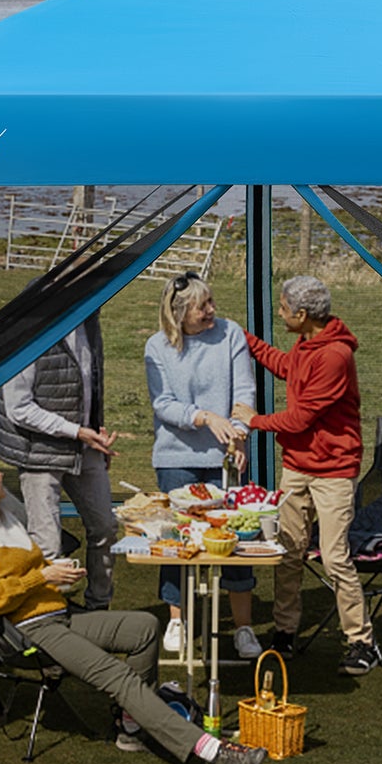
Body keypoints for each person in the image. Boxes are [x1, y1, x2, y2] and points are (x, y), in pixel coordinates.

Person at [0, 450, 268, 764]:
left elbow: (26, 570)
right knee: (118, 677)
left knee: (144, 627)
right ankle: (211, 753)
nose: (1, 475)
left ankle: (131, 726)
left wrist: (54, 570)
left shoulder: (2, 516)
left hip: (56, 614)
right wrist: (42, 577)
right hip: (28, 630)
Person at [233, 275, 379, 675]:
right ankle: (285, 632)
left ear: (301, 314)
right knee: (288, 552)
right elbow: (287, 367)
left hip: (333, 472)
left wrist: (254, 420)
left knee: (334, 558)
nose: (280, 313)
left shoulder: (334, 356)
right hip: (296, 467)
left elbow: (300, 419)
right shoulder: (306, 343)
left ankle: (362, 641)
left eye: (283, 308)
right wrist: (243, 338)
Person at [144, 271, 261, 659]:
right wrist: (205, 417)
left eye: (211, 301)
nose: (212, 310)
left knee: (236, 540)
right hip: (176, 459)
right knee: (179, 541)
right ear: (179, 313)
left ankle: (243, 628)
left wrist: (238, 435)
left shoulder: (230, 334)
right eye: (202, 306)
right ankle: (178, 620)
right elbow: (163, 404)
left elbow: (244, 391)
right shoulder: (157, 347)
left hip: (225, 457)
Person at [0, 310, 119, 610]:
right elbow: (18, 408)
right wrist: (77, 431)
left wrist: (95, 430)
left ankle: (98, 608)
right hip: (38, 451)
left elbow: (88, 382)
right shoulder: (26, 329)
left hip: (83, 445)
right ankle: (48, 617)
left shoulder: (89, 320)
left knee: (105, 527)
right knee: (48, 543)